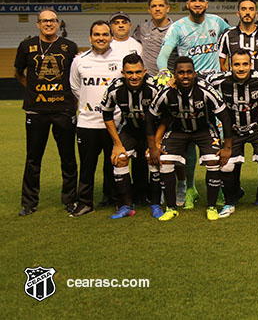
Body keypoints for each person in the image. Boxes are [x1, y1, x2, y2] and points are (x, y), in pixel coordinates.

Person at [156, 0, 231, 209]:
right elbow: (165, 53)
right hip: (188, 89)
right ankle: (189, 188)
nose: (197, 4)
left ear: (207, 4)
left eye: (201, 0)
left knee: (216, 138)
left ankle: (218, 190)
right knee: (188, 139)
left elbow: (232, 42)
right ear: (187, 4)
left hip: (213, 88)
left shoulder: (217, 23)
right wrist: (163, 72)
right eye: (193, 1)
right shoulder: (178, 27)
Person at [148, 56, 233, 221]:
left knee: (213, 160)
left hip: (204, 130)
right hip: (178, 130)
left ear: (195, 73)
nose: (185, 76)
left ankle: (211, 207)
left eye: (188, 72)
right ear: (175, 74)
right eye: (181, 73)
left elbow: (225, 116)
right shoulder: (166, 92)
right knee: (164, 160)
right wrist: (152, 146)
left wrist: (227, 147)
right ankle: (171, 208)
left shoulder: (205, 89)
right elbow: (150, 118)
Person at [15, 9, 79, 216]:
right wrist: (32, 90)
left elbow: (75, 76)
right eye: (44, 21)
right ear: (37, 24)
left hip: (63, 109)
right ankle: (29, 203)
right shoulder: (27, 46)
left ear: (58, 23)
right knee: (33, 158)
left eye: (52, 21)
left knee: (68, 157)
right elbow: (18, 72)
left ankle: (70, 200)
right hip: (36, 110)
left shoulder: (69, 47)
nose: (48, 24)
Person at [206, 51, 258, 219]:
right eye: (237, 64)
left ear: (251, 65)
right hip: (233, 130)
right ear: (230, 66)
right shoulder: (219, 80)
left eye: (245, 64)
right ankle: (230, 203)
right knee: (227, 165)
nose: (241, 68)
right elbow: (198, 82)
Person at [68, 21, 125, 216]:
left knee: (115, 165)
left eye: (104, 34)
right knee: (87, 166)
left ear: (110, 36)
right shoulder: (79, 60)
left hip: (115, 124)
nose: (101, 38)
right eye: (96, 34)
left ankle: (116, 200)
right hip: (87, 123)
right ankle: (85, 202)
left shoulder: (121, 59)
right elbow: (76, 88)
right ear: (90, 37)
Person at [99, 53, 163, 219]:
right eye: (129, 73)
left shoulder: (155, 87)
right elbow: (107, 116)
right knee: (119, 158)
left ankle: (155, 203)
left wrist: (157, 142)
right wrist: (117, 144)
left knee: (153, 157)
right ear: (123, 73)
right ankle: (126, 205)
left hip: (153, 131)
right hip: (130, 130)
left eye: (137, 72)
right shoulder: (115, 89)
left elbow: (167, 115)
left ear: (144, 71)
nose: (134, 76)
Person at [218, 0, 258, 72]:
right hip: (235, 83)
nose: (247, 12)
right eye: (243, 9)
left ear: (256, 14)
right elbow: (220, 64)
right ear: (238, 13)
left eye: (251, 9)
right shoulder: (227, 35)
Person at [133, 0, 175, 76]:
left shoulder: (176, 29)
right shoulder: (142, 29)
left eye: (161, 5)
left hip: (170, 80)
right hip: (148, 80)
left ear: (168, 8)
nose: (157, 9)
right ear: (149, 10)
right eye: (154, 6)